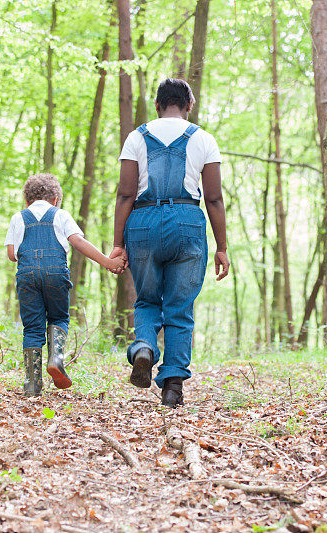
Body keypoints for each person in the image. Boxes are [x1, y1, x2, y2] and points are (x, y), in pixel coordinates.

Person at [110, 78, 230, 408]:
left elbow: (125, 193)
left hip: (144, 223)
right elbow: (215, 198)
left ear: (158, 106)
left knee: (148, 300)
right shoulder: (204, 139)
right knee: (180, 307)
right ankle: (173, 387)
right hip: (188, 222)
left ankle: (145, 348)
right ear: (188, 106)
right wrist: (221, 247)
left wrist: (118, 243)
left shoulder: (137, 137)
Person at [5, 173, 126, 396]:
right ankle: (56, 358)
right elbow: (78, 242)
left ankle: (32, 384)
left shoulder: (18, 218)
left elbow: (12, 254)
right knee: (59, 317)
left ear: (26, 200)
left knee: (32, 327)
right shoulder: (60, 215)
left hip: (27, 276)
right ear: (56, 199)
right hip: (56, 274)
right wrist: (107, 262)